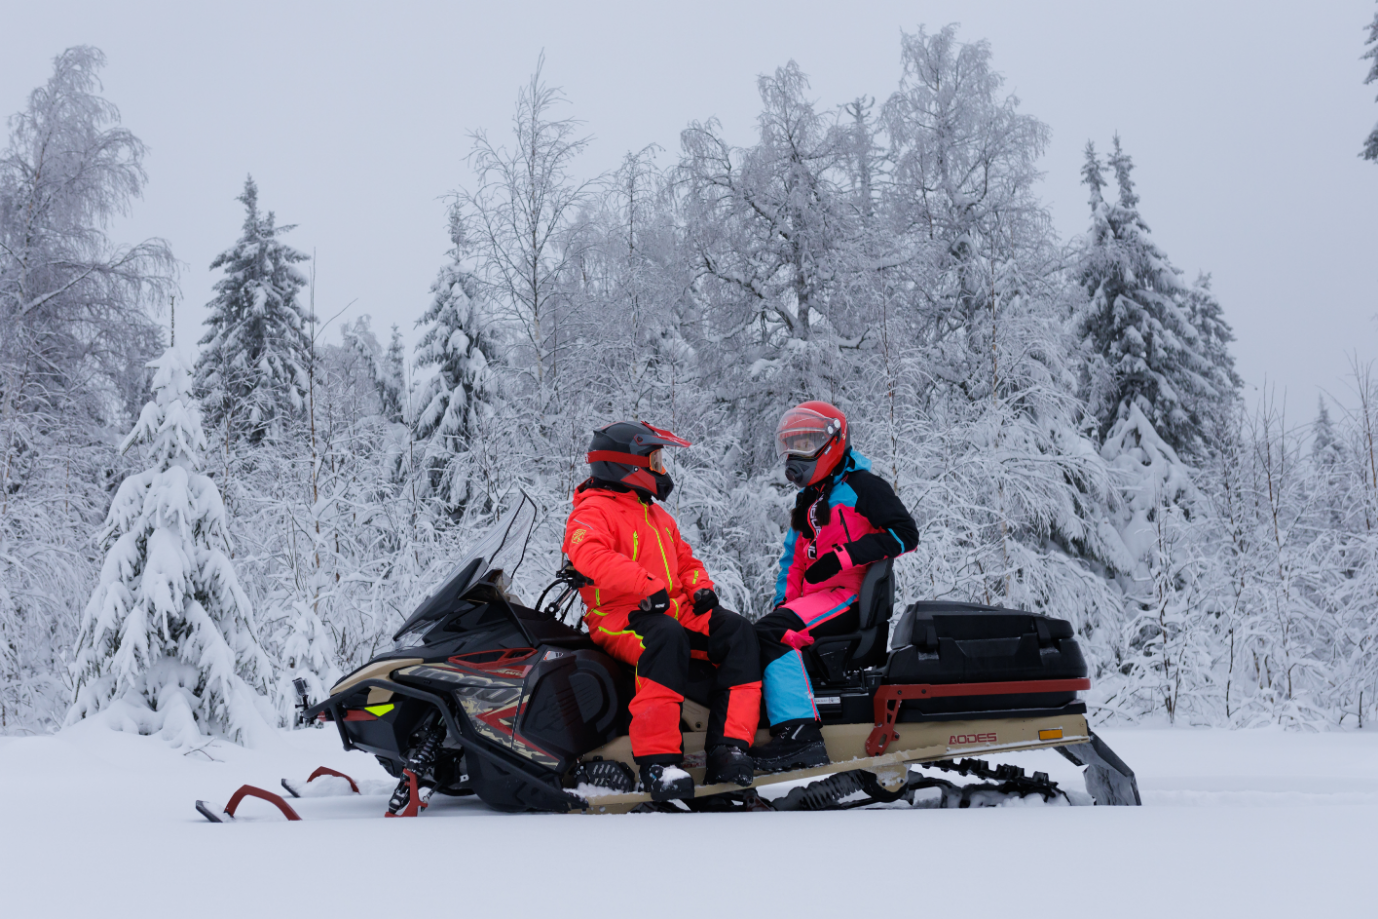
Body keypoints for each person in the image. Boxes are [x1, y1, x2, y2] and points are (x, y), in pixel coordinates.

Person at [563, 421, 762, 801]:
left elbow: (686, 561)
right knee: (665, 638)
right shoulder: (591, 512)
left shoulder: (657, 516)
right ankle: (659, 763)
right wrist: (645, 585)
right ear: (626, 464)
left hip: (671, 608)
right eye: (654, 461)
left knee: (737, 631)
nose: (661, 469)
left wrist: (700, 587)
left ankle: (729, 748)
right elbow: (590, 554)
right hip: (619, 615)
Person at [749, 401, 919, 773]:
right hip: (817, 599)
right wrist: (783, 605)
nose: (796, 454)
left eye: (806, 443)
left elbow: (906, 535)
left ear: (832, 442)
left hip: (849, 596)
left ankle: (800, 736)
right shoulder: (809, 499)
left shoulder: (864, 487)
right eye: (792, 445)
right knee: (761, 633)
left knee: (773, 634)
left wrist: (844, 557)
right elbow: (793, 560)